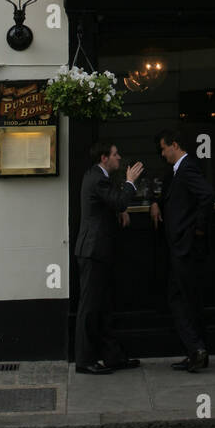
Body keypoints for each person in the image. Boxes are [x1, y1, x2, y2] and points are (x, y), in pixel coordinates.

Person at [74, 141, 143, 375]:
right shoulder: (98, 178)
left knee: (103, 307)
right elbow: (120, 200)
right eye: (115, 154)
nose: (119, 157)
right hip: (93, 251)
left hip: (97, 251)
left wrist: (119, 210)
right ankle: (84, 360)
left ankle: (112, 357)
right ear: (104, 158)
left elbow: (111, 203)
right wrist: (130, 182)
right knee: (90, 308)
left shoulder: (95, 176)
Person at [150, 127, 215, 373]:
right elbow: (168, 192)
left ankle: (197, 349)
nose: (163, 154)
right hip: (179, 247)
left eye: (164, 149)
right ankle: (195, 351)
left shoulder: (187, 168)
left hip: (185, 247)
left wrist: (197, 231)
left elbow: (207, 195)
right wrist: (156, 202)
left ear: (174, 145)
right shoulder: (176, 171)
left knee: (182, 300)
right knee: (180, 299)